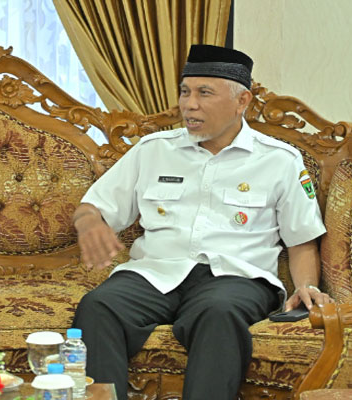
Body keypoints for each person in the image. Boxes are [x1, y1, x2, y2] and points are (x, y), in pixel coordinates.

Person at [70, 45, 334, 400]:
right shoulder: (153, 149)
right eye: (185, 92)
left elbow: (302, 241)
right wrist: (89, 222)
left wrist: (306, 286)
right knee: (98, 306)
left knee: (218, 313)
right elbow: (93, 206)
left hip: (236, 278)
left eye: (204, 93)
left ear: (242, 101)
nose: (189, 105)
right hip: (155, 273)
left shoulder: (280, 160)